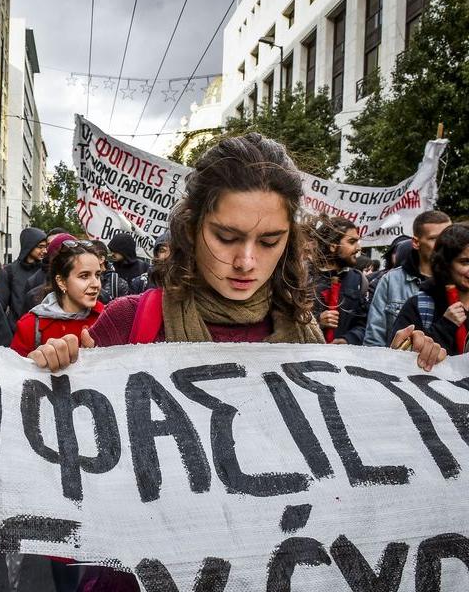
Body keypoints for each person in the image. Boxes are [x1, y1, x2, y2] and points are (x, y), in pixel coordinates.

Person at [26, 133, 446, 591]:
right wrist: (55, 377)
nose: (246, 261)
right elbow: (70, 470)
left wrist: (405, 375)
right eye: (226, 237)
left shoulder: (307, 335)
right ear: (191, 229)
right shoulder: (130, 323)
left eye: (269, 241)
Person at [364, 210, 452, 346]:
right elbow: (374, 339)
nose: (445, 244)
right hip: (399, 365)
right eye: (435, 239)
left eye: (448, 236)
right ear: (416, 242)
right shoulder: (391, 281)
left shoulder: (460, 281)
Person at [10, 237, 103, 356]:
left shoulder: (106, 319)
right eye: (84, 276)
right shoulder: (30, 326)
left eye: (98, 275)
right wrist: (32, 363)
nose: (96, 284)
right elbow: (13, 370)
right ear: (61, 282)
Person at [392, 223, 469, 355]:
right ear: (445, 264)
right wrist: (445, 326)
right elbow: (399, 360)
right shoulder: (418, 306)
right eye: (465, 262)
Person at [311, 216, 368, 345]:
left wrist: (348, 339)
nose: (358, 248)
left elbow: (363, 324)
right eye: (352, 242)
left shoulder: (358, 280)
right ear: (332, 245)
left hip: (342, 360)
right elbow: (288, 322)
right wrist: (317, 322)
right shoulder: (303, 277)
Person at [0, 227, 48, 328]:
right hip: (15, 330)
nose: (45, 250)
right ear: (29, 246)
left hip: (41, 330)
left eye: (45, 247)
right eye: (40, 247)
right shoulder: (8, 271)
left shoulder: (46, 270)